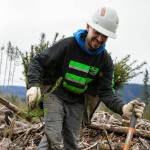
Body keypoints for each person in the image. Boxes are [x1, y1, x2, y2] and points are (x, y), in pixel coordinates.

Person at [26, 6, 145, 150]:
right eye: (97, 32)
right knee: (54, 137)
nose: (100, 38)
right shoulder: (68, 45)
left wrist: (123, 108)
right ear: (88, 26)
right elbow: (38, 61)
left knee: (71, 143)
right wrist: (34, 85)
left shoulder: (104, 60)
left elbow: (106, 92)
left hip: (77, 101)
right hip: (55, 95)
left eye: (105, 36)